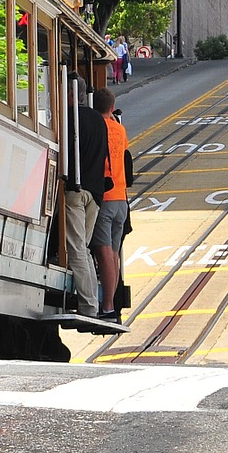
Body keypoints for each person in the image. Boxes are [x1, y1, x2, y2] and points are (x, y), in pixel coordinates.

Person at [64, 83, 110, 315]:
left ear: (71, 92)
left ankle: (89, 305)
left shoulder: (69, 117)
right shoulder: (99, 120)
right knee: (84, 248)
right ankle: (96, 302)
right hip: (95, 194)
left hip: (76, 189)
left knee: (76, 249)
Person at [92, 88, 134, 321]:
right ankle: (113, 304)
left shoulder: (99, 128)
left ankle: (107, 306)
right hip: (121, 199)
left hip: (106, 198)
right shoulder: (120, 129)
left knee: (103, 251)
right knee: (114, 253)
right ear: (111, 107)